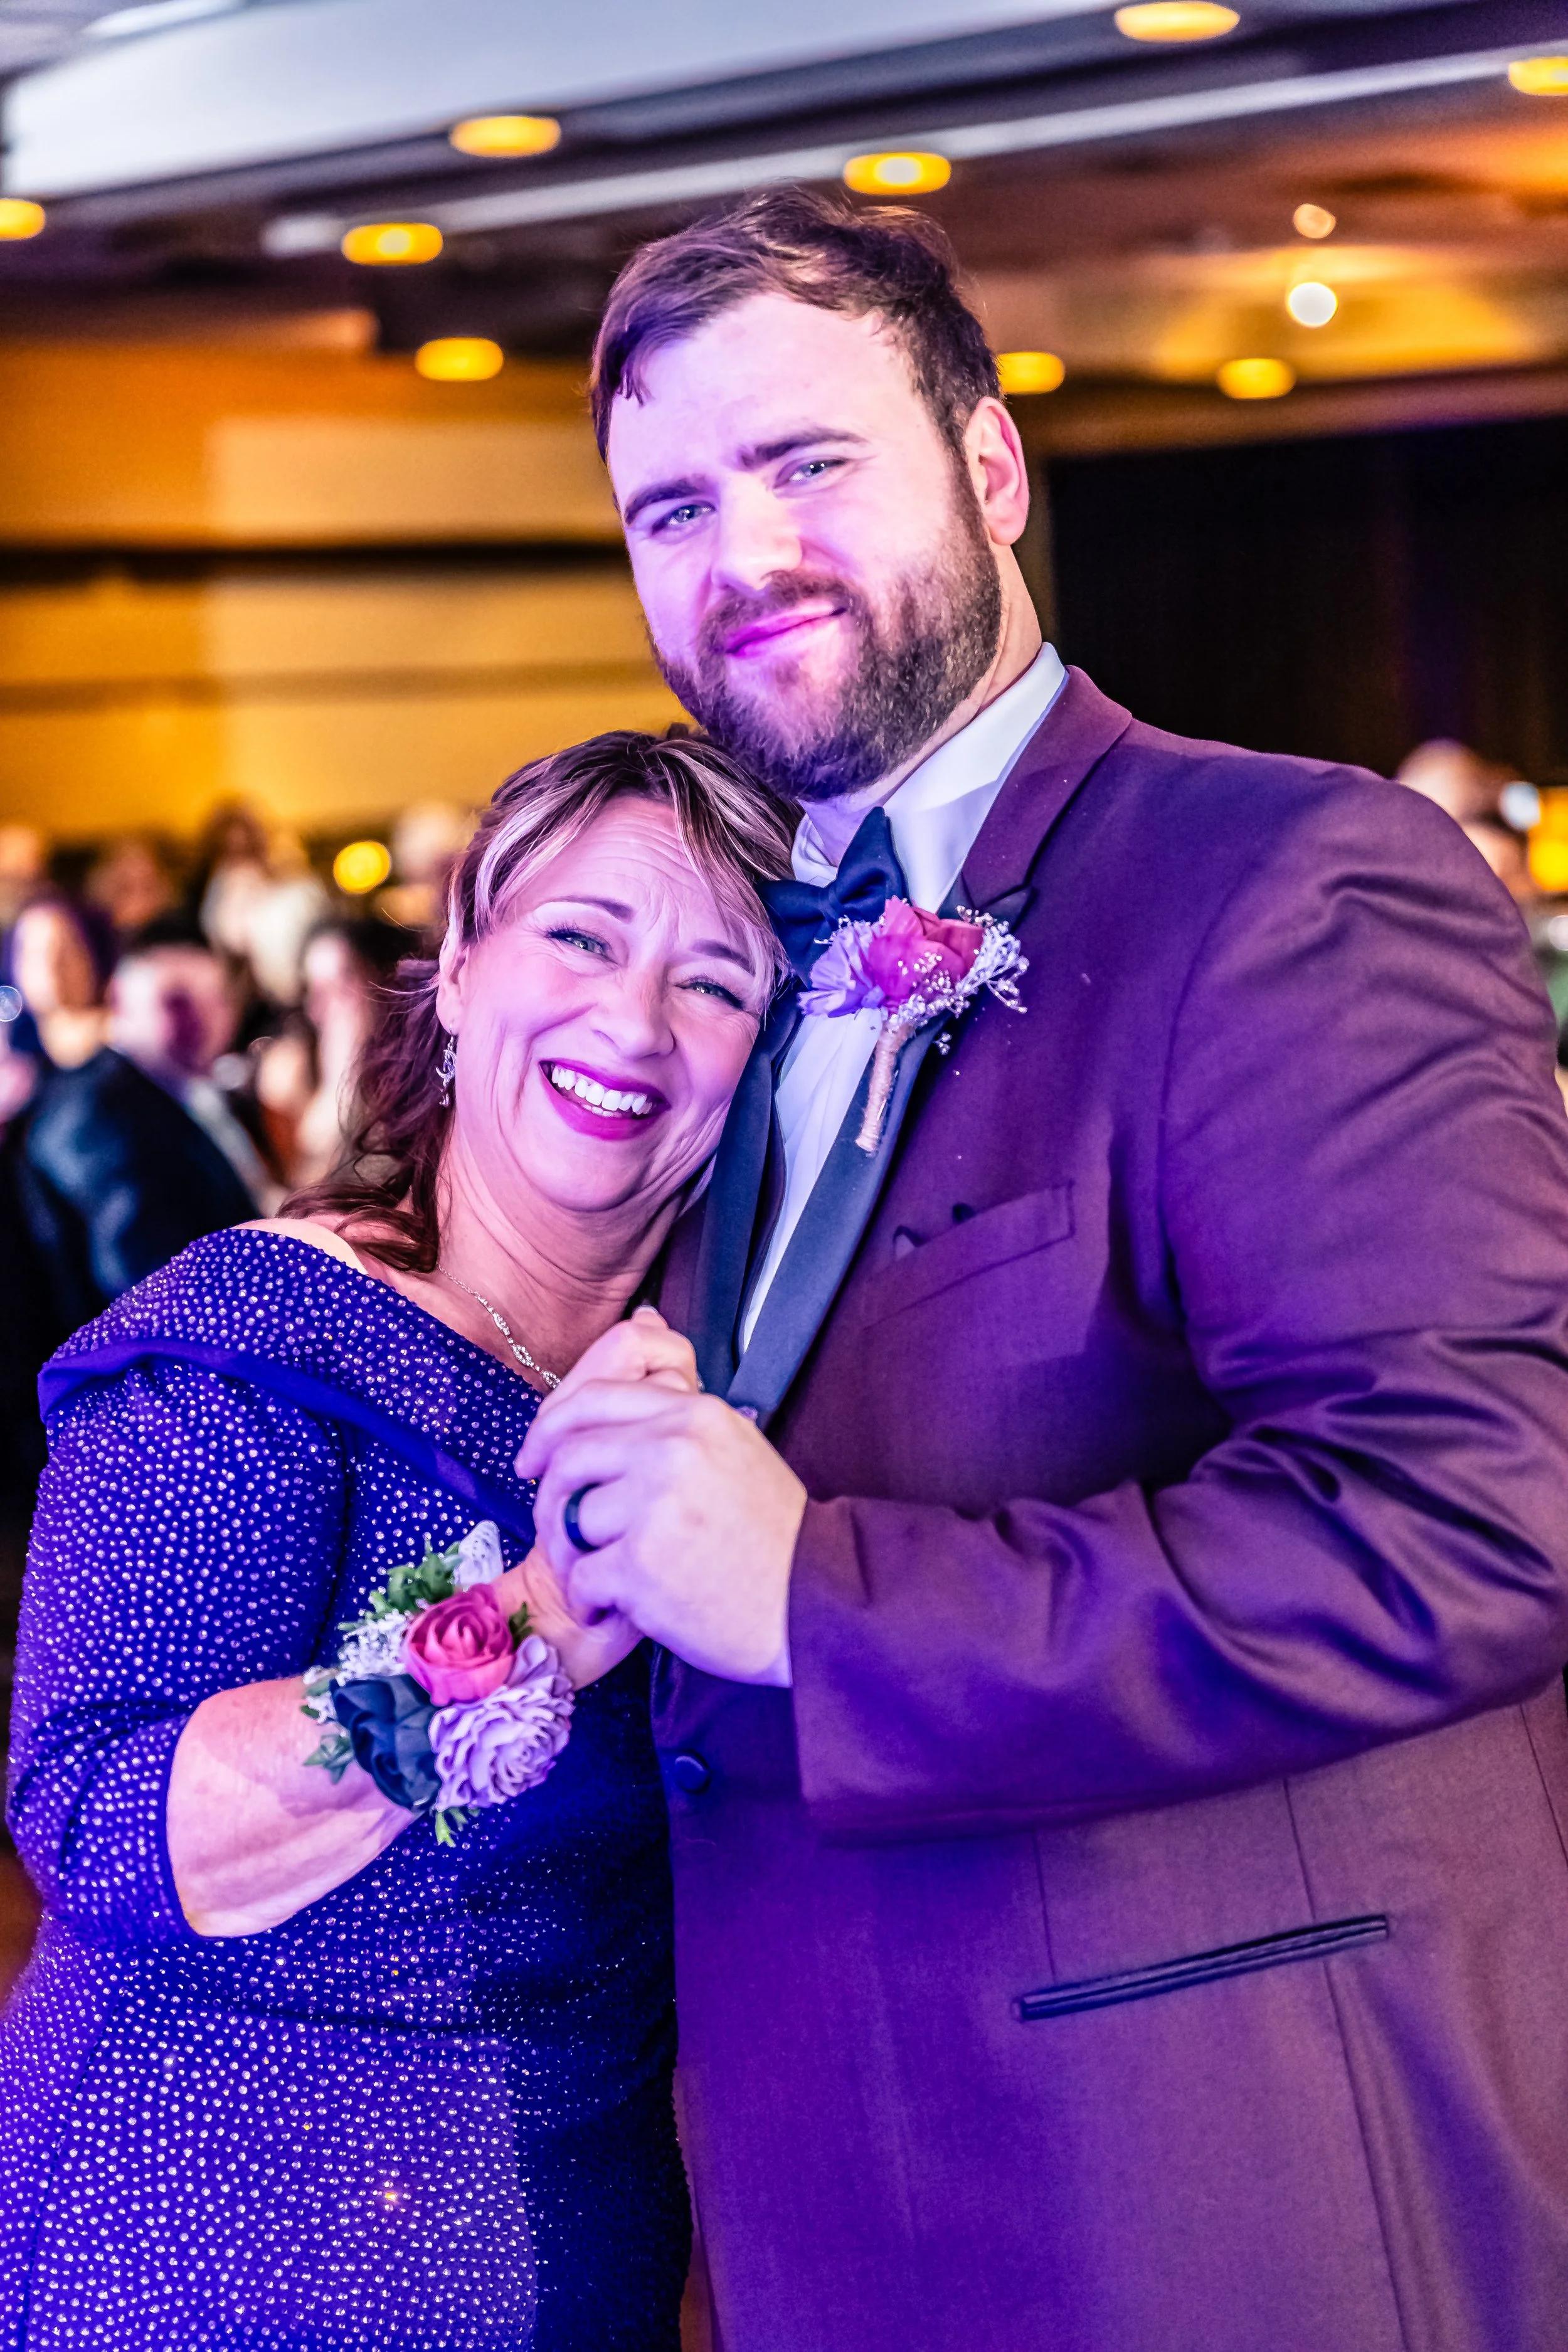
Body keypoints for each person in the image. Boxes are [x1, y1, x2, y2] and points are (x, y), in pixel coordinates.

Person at [517, 190, 1568, 2352]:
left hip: (1208, 2173)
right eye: (672, 509)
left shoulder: (1283, 878)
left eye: (811, 464)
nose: (745, 557)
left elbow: (1476, 1521)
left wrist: (817, 1599)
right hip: (835, 2185)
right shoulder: (741, 971)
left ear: (991, 472)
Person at [0, 730, 792, 2351]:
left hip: (580, 2246)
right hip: (224, 2246)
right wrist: (542, 1610)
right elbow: (96, 1821)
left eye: (715, 981)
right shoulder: (264, 1337)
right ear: (454, 960)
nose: (632, 1021)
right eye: (582, 935)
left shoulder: (748, 1384)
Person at [13, 930, 267, 1335]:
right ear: (119, 1003)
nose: (202, 1019)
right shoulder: (100, 1109)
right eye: (176, 1003)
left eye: (216, 998)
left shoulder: (187, 1090)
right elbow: (146, 1279)